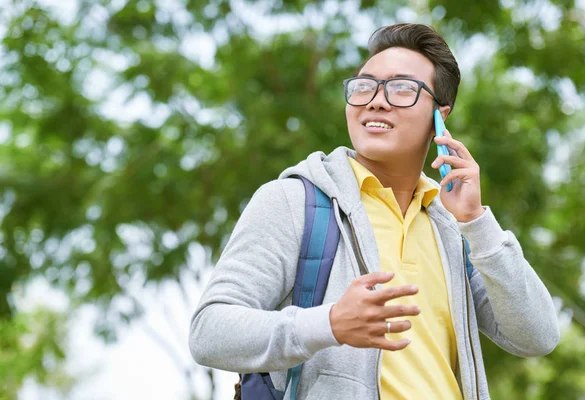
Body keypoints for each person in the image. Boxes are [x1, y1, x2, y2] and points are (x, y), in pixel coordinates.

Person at [189, 23, 559, 400]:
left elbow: (537, 336)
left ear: (439, 116)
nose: (375, 100)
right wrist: (328, 324)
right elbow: (209, 331)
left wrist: (476, 222)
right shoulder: (293, 201)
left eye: (402, 88)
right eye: (364, 86)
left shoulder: (452, 230)